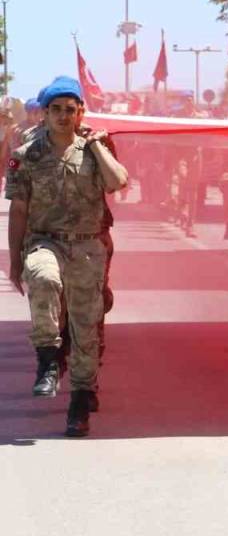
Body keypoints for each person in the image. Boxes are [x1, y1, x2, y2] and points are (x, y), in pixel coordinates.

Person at [5, 76, 129, 437]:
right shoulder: (26, 155)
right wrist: (15, 261)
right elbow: (18, 210)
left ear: (80, 113)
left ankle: (80, 400)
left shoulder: (95, 147)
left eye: (70, 110)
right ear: (44, 114)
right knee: (43, 278)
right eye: (56, 109)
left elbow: (118, 182)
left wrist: (97, 146)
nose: (63, 116)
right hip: (45, 241)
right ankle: (47, 357)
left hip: (88, 247)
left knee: (86, 327)